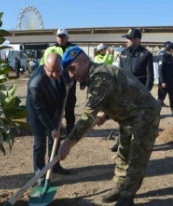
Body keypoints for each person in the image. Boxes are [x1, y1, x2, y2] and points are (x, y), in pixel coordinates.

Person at [58, 46, 161, 206]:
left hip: (144, 116)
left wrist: (68, 143)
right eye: (69, 71)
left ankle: (127, 197)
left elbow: (86, 117)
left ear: (84, 61)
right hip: (129, 116)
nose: (72, 75)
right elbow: (118, 94)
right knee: (123, 154)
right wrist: (105, 115)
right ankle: (120, 187)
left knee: (136, 158)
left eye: (72, 68)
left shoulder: (100, 76)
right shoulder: (94, 75)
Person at [26, 53, 70, 183]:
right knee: (40, 145)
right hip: (37, 115)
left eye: (58, 71)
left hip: (53, 111)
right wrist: (51, 128)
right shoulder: (36, 83)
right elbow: (40, 111)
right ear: (45, 67)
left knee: (54, 141)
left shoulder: (59, 72)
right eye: (52, 72)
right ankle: (40, 174)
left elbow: (62, 90)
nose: (56, 75)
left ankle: (54, 165)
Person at [109, 28, 154, 152]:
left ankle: (139, 143)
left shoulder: (146, 54)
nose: (126, 41)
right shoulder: (123, 53)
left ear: (137, 40)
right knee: (123, 119)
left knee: (139, 120)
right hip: (125, 92)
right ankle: (121, 143)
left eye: (129, 38)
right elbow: (120, 73)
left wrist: (144, 93)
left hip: (139, 93)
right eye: (126, 38)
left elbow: (150, 77)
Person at [40, 28, 79, 138]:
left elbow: (80, 65)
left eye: (63, 36)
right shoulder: (50, 49)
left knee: (69, 107)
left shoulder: (74, 49)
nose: (60, 38)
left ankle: (70, 130)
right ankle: (58, 129)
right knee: (56, 107)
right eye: (59, 36)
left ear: (67, 37)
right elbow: (43, 66)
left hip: (70, 83)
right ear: (56, 37)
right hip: (55, 84)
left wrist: (79, 79)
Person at [157, 41, 173, 118]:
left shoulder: (171, 57)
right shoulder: (163, 57)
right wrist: (162, 81)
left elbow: (172, 70)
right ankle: (156, 113)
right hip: (164, 82)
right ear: (170, 49)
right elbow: (160, 70)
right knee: (161, 98)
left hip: (171, 82)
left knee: (172, 97)